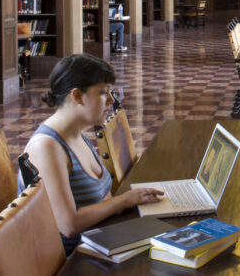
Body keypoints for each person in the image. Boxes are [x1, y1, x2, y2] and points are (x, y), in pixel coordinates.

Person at [22, 54, 162, 255]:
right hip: (71, 263)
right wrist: (124, 201)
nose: (111, 99)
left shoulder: (77, 134)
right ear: (77, 96)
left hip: (97, 242)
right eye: (103, 92)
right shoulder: (46, 147)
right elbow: (68, 224)